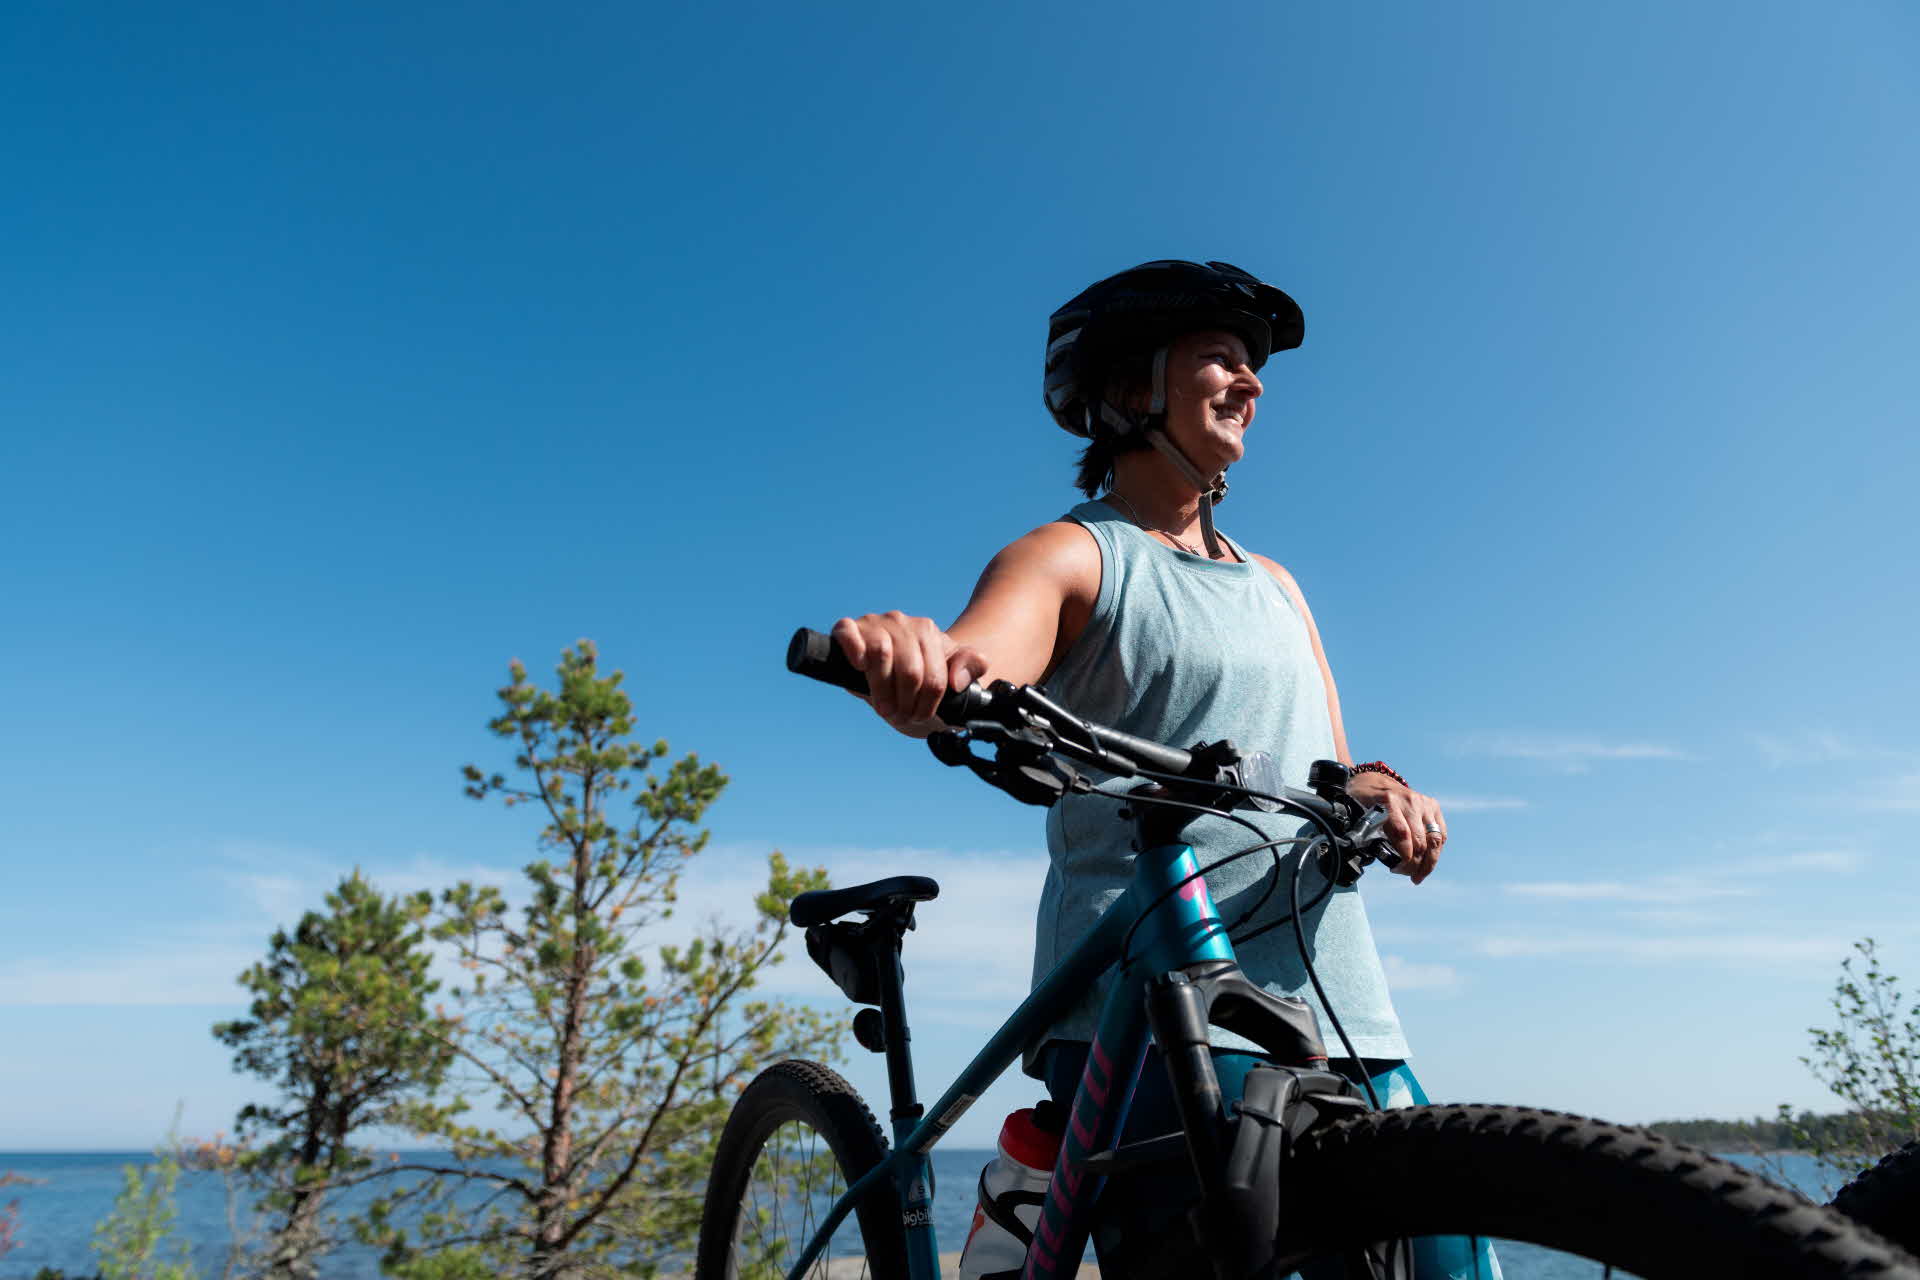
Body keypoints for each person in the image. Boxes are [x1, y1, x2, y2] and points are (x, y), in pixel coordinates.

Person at [831, 260, 1495, 1279]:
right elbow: (975, 664)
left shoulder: (1278, 584)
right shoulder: (1071, 555)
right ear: (1133, 389)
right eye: (1221, 355)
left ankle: (1034, 1189)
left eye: (1255, 363)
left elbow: (1331, 763)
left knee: (1449, 1254)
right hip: (1150, 997)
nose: (1253, 381)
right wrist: (913, 660)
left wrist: (1380, 788)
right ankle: (1037, 1185)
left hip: (1336, 992)